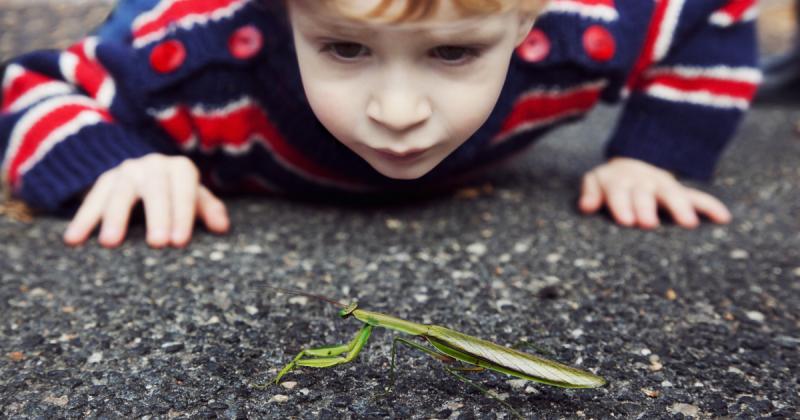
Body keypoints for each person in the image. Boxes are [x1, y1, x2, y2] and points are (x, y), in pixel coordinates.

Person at [0, 0, 761, 249]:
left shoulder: (582, 29)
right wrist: (112, 156)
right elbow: (30, 85)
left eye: (455, 52)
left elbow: (717, 10)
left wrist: (657, 151)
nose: (399, 112)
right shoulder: (188, 62)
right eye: (345, 47)